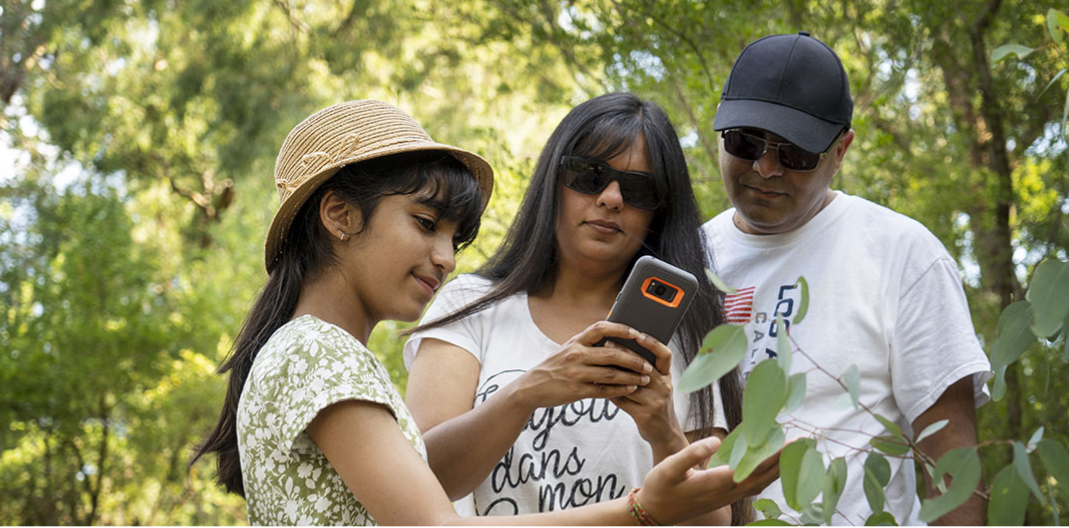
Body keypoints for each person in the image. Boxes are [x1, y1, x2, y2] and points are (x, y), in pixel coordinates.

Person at [190, 99, 775, 525]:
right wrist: (639, 508)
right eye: (425, 225)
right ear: (340, 215)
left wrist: (660, 434)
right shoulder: (318, 351)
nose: (444, 258)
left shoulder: (322, 352)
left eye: (454, 238)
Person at [402, 92, 747, 524]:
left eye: (639, 188)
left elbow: (714, 523)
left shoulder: (688, 332)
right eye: (589, 175)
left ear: (659, 210)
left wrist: (664, 431)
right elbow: (421, 479)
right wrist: (529, 391)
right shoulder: (469, 305)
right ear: (553, 180)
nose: (611, 198)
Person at [704, 33, 994, 525]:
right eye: (746, 141)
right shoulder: (689, 260)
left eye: (794, 153)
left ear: (841, 151)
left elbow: (952, 460)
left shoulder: (902, 254)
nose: (765, 167)